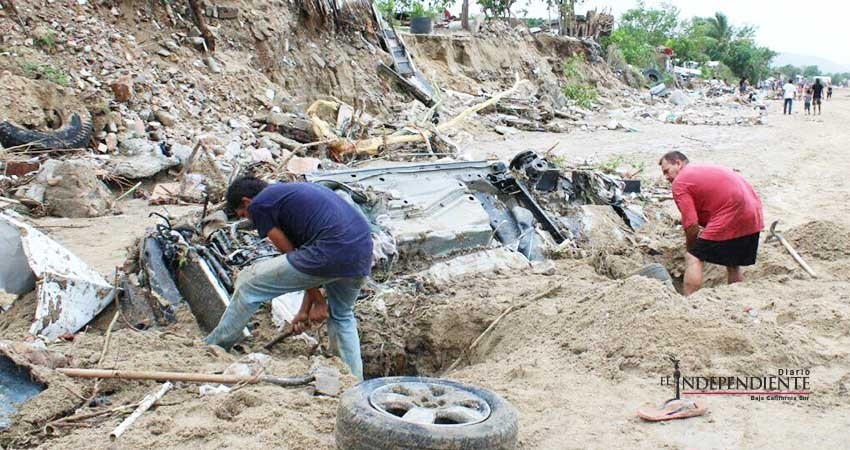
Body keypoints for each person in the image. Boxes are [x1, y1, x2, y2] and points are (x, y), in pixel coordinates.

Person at [203, 177, 373, 380]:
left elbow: (291, 253)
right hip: (361, 254)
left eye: (243, 214)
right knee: (342, 315)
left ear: (247, 202)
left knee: (248, 284)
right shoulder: (290, 195)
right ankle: (353, 380)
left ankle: (215, 346)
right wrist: (304, 311)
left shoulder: (260, 204)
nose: (249, 220)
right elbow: (308, 265)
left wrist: (318, 301)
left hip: (330, 253)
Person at [659, 152, 764, 296]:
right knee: (733, 263)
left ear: (678, 163)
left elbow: (691, 224)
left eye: (667, 171)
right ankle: (736, 298)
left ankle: (689, 301)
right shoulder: (704, 170)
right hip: (753, 213)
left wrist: (691, 248)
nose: (666, 177)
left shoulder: (680, 181)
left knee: (693, 257)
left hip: (731, 212)